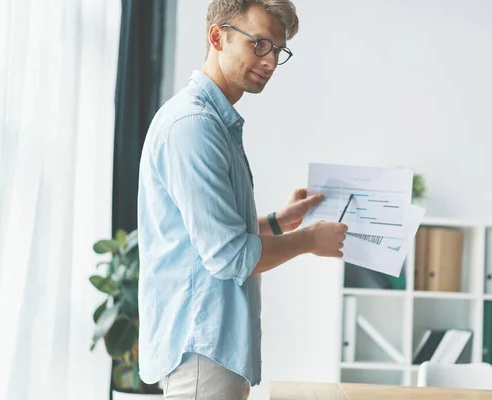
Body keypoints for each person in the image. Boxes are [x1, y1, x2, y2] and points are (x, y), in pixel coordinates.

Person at [136, 0, 348, 399]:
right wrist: (308, 241)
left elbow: (205, 238)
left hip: (211, 350)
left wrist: (278, 222)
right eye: (260, 44)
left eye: (277, 50)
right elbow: (229, 257)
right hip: (202, 350)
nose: (269, 62)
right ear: (218, 36)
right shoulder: (195, 126)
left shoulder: (214, 122)